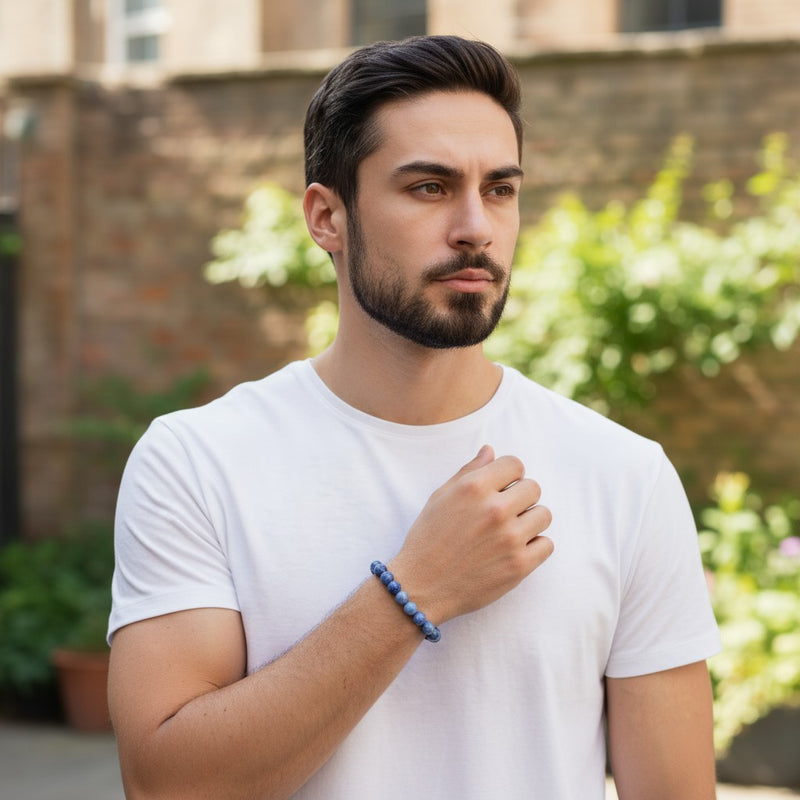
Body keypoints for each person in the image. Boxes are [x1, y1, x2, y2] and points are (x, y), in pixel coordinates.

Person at [108, 35, 720, 799]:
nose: (476, 226)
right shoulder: (198, 461)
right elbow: (168, 787)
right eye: (429, 187)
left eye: (499, 189)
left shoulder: (624, 475)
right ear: (327, 217)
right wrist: (414, 591)